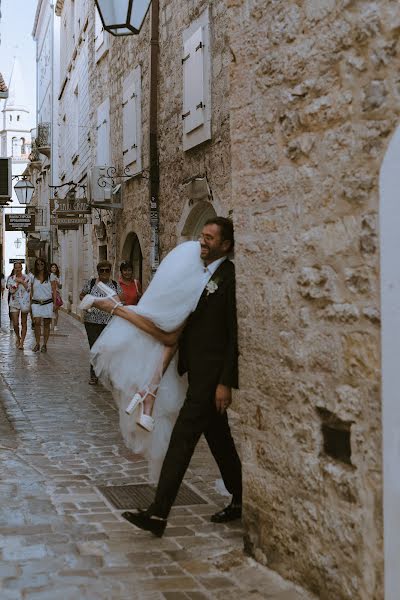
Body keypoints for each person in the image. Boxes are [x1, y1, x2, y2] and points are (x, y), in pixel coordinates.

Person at [85, 218, 242, 535]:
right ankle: (241, 499)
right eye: (202, 235)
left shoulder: (228, 279)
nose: (204, 241)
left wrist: (225, 381)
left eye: (210, 238)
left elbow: (233, 335)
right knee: (220, 441)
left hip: (210, 379)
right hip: (195, 373)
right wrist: (155, 378)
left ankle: (158, 513)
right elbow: (176, 333)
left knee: (181, 443)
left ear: (225, 245)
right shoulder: (197, 276)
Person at [79, 260, 123, 385]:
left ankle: (108, 374)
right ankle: (94, 375)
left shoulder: (114, 285)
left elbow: (120, 300)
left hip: (110, 322)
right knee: (94, 348)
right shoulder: (92, 283)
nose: (104, 272)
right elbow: (82, 295)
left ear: (110, 271)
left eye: (107, 270)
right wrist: (89, 301)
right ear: (98, 271)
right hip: (92, 321)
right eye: (101, 270)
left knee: (108, 348)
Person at [31, 259, 57, 353]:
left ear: (44, 265)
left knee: (46, 324)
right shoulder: (32, 277)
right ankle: (37, 343)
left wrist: (55, 304)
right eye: (37, 264)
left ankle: (44, 345)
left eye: (42, 264)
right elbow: (31, 291)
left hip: (48, 302)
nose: (40, 266)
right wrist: (31, 303)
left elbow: (54, 290)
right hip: (36, 302)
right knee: (37, 322)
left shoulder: (51, 277)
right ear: (36, 265)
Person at [6, 262, 31, 349]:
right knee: (15, 323)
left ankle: (22, 343)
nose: (17, 269)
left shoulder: (27, 278)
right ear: (14, 268)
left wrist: (21, 281)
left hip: (24, 302)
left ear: (21, 268)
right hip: (14, 302)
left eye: (19, 267)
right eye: (16, 268)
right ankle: (18, 336)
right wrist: (17, 283)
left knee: (24, 323)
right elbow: (11, 291)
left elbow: (29, 289)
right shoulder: (11, 278)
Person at [50, 263, 62, 331]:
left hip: (56, 294)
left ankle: (55, 325)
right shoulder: (49, 276)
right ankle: (50, 324)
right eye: (52, 267)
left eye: (55, 267)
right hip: (49, 294)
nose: (54, 268)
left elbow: (60, 287)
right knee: (50, 310)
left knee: (56, 310)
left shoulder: (58, 277)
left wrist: (57, 283)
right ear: (50, 268)